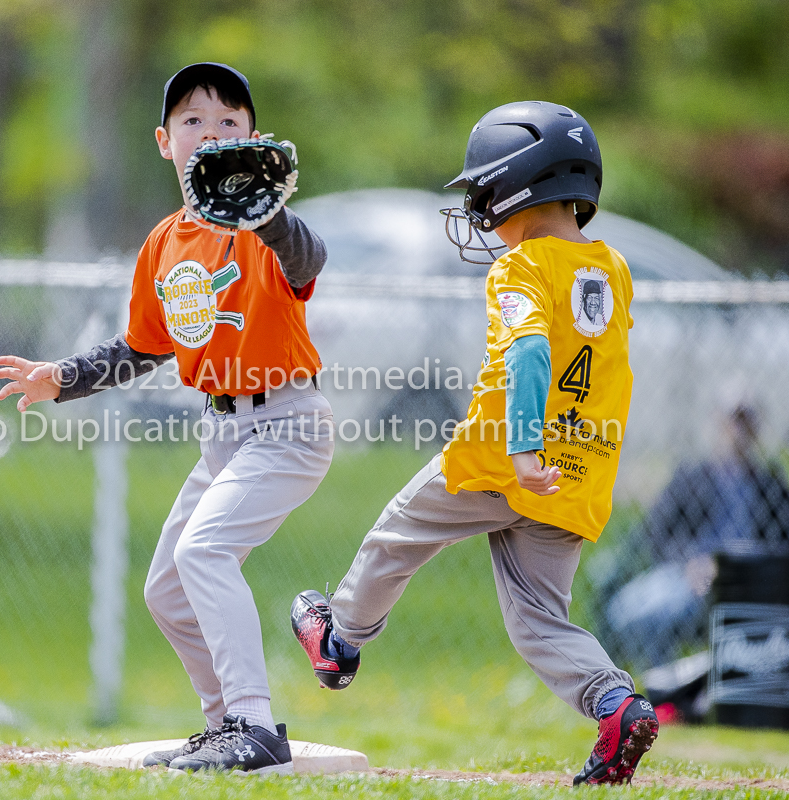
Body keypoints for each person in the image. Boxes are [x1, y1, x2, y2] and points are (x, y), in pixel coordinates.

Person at [290, 101, 659, 786]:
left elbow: (527, 358)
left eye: (485, 189)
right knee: (539, 622)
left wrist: (521, 447)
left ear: (521, 184)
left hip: (499, 457)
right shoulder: (613, 266)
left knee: (396, 539)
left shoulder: (520, 268)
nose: (480, 204)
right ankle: (616, 705)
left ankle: (338, 640)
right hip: (580, 466)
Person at [0, 62, 333, 775]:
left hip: (289, 422)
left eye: (229, 122)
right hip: (224, 433)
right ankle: (225, 727)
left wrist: (265, 211)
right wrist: (65, 379)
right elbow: (143, 345)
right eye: (193, 121)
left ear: (255, 141)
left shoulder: (265, 232)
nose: (211, 133)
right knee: (167, 590)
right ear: (164, 141)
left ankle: (254, 724)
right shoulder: (165, 242)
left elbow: (308, 259)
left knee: (202, 553)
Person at [602, 403, 789, 671]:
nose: (739, 430)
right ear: (717, 423)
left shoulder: (769, 483)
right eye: (733, 420)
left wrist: (750, 568)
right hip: (690, 575)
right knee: (627, 612)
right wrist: (692, 562)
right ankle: (663, 681)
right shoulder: (692, 476)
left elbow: (782, 541)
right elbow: (657, 534)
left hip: (751, 577)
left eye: (747, 420)